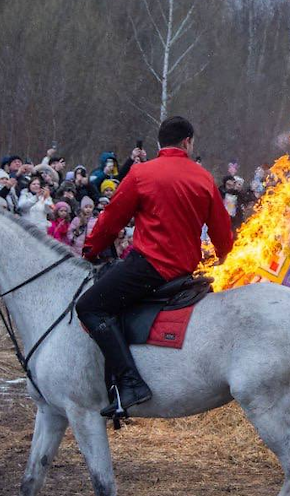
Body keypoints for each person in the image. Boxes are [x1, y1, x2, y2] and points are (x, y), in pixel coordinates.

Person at [76, 116, 234, 417]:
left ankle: (131, 383)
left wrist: (90, 249)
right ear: (187, 142)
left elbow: (111, 220)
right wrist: (223, 255)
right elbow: (222, 234)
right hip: (183, 273)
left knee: (89, 307)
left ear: (160, 143)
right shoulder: (203, 178)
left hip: (147, 267)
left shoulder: (141, 173)